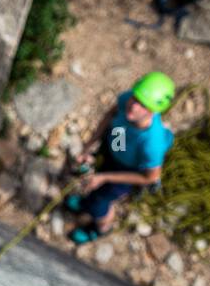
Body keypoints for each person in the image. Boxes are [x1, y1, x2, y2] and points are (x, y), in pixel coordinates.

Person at [66, 72, 175, 244]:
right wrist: (88, 147)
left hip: (129, 170)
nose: (134, 107)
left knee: (101, 201)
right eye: (135, 98)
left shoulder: (151, 143)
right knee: (95, 185)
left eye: (143, 105)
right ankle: (86, 202)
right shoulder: (127, 101)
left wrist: (104, 177)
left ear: (154, 111)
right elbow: (111, 115)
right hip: (118, 144)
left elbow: (151, 177)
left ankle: (101, 228)